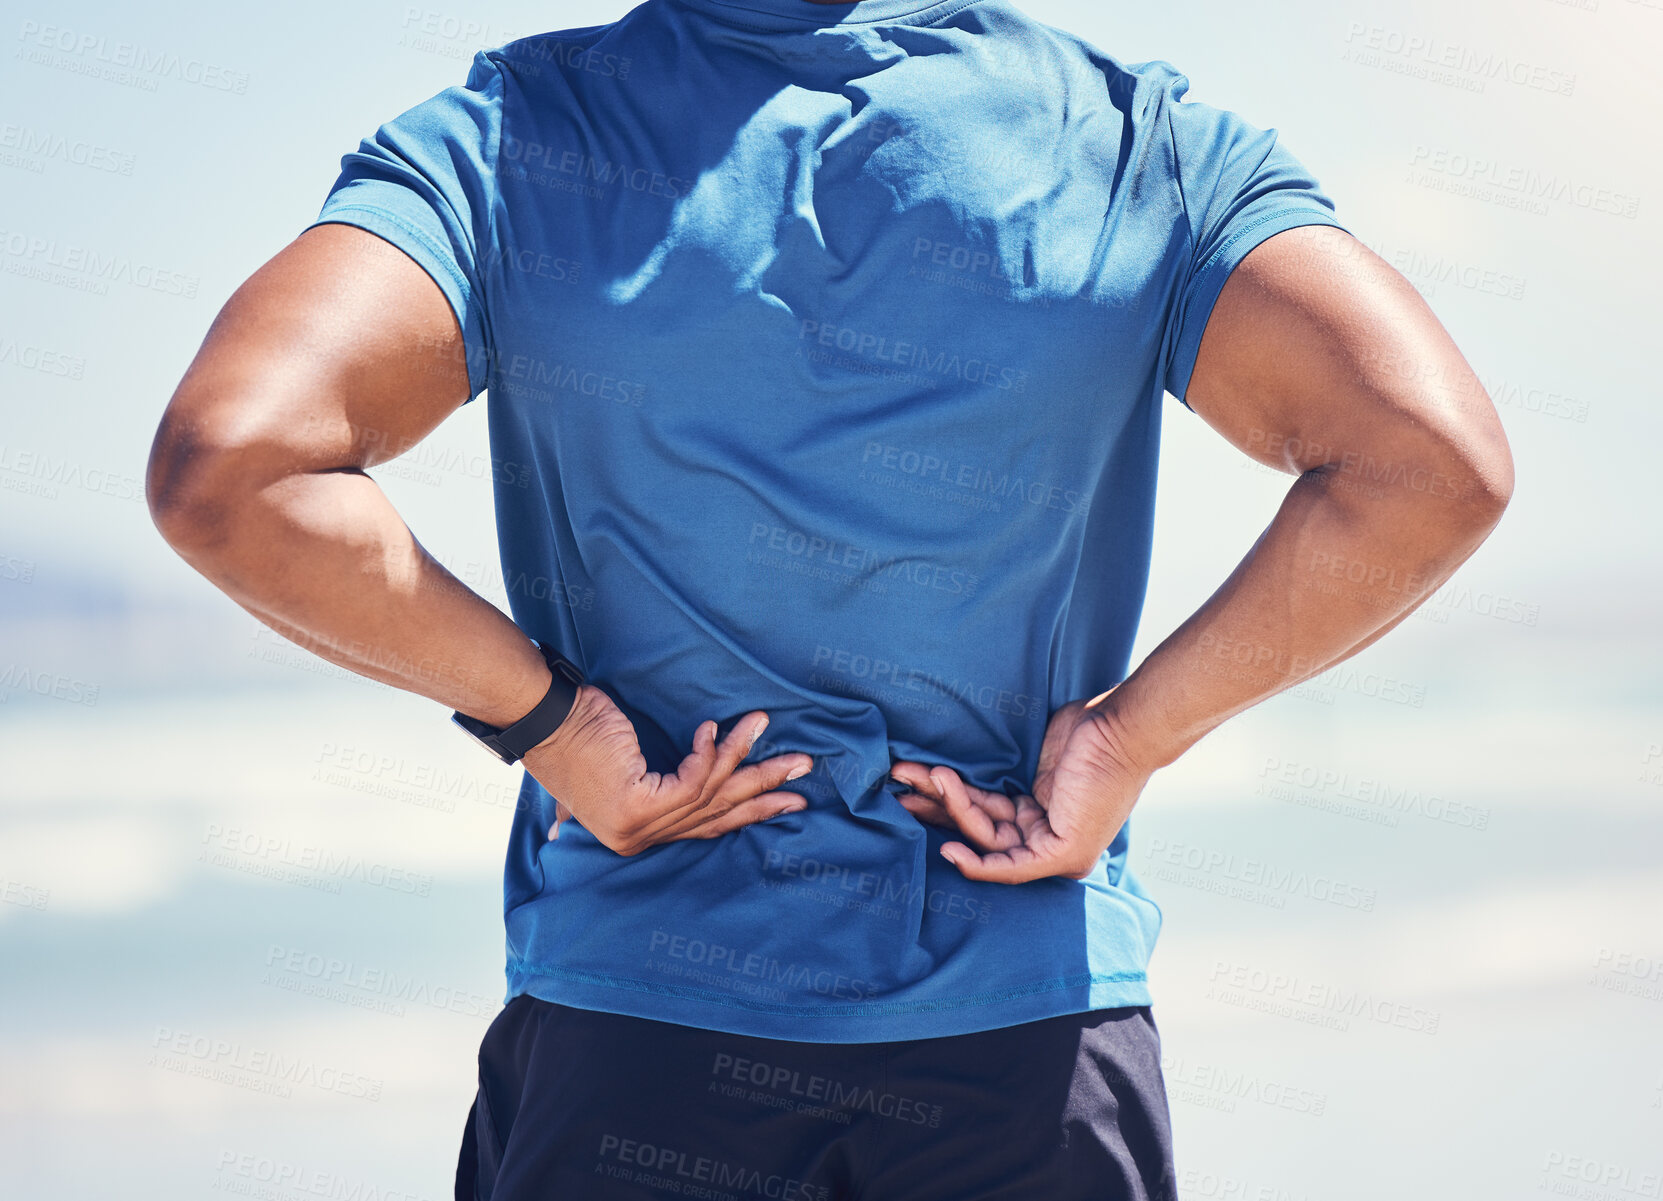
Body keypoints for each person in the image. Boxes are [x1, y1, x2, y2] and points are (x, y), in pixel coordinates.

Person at [145, 0, 1514, 1196]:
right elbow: (1429, 464)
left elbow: (231, 470)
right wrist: (1128, 738)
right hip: (1027, 1052)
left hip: (639, 1037)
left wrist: (552, 723)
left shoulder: (513, 140)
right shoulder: (1135, 149)